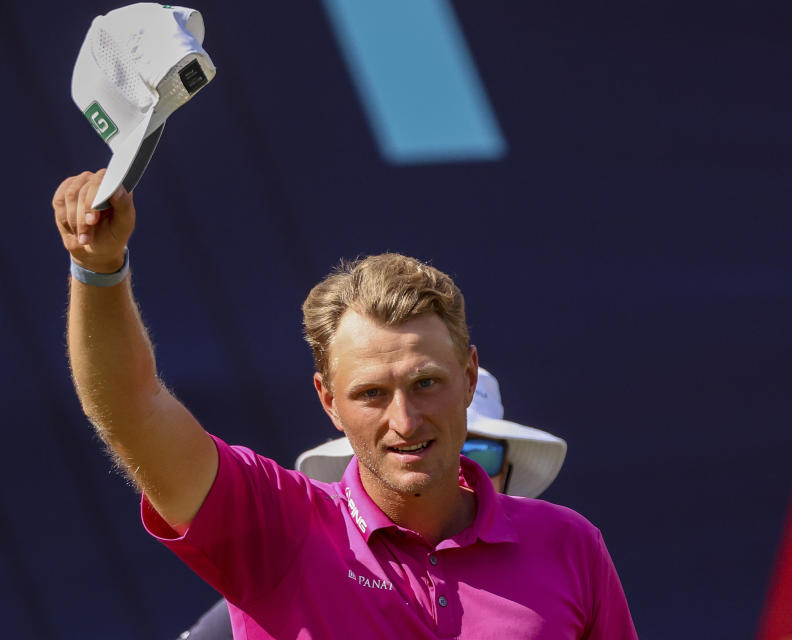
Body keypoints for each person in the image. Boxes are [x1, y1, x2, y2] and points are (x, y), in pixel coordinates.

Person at [53, 171, 637, 638]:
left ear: (469, 376)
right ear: (328, 401)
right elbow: (134, 410)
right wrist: (98, 271)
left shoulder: (569, 545)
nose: (404, 421)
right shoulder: (274, 525)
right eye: (371, 395)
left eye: (426, 383)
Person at [178, 366, 569, 639]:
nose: (452, 467)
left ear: (508, 470)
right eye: (415, 449)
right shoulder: (294, 573)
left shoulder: (571, 556)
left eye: (478, 454)